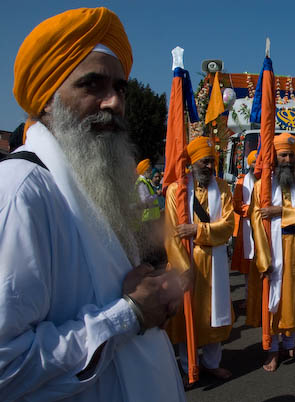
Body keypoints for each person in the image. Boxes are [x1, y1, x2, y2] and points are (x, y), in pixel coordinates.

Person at [0, 8, 185, 401]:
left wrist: (149, 298)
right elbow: (6, 366)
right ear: (47, 101)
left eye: (120, 88)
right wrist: (129, 316)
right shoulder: (21, 190)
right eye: (92, 85)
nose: (114, 102)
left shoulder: (94, 179)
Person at [164, 136, 235, 380]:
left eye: (212, 161)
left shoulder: (224, 189)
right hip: (188, 262)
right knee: (189, 315)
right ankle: (188, 367)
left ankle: (212, 363)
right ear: (193, 162)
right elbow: (172, 233)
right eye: (204, 161)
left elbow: (227, 227)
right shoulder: (178, 190)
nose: (209, 166)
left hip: (215, 260)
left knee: (215, 314)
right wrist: (183, 269)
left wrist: (198, 230)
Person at [249, 132, 295, 372]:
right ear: (275, 157)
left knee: (293, 297)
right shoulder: (262, 187)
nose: (288, 159)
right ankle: (272, 349)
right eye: (283, 155)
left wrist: (282, 212)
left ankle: (290, 344)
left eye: (291, 155)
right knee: (274, 299)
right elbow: (256, 221)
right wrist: (263, 258)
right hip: (273, 249)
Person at [232, 150, 258, 310]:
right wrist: (254, 210)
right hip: (248, 227)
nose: (257, 165)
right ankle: (249, 298)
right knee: (248, 266)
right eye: (254, 162)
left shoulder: (269, 179)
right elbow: (236, 204)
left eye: (259, 162)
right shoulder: (242, 182)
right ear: (249, 164)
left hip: (266, 226)